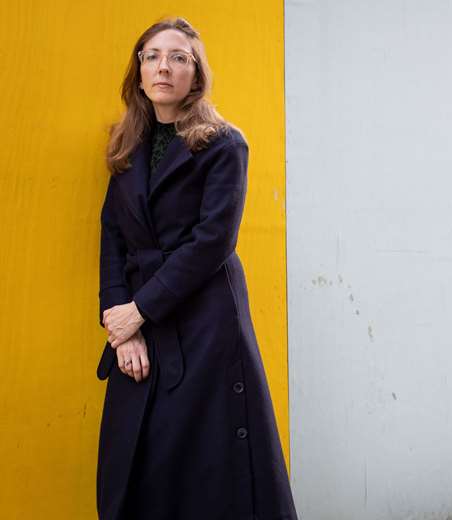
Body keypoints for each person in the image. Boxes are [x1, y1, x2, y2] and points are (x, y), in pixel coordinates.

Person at [95, 17, 298, 520]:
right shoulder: (124, 147)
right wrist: (122, 328)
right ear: (138, 72)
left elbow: (213, 243)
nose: (164, 66)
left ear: (196, 74)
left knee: (209, 465)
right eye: (152, 56)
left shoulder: (224, 144)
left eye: (179, 57)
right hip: (139, 323)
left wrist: (139, 311)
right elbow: (112, 238)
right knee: (137, 462)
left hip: (207, 324)